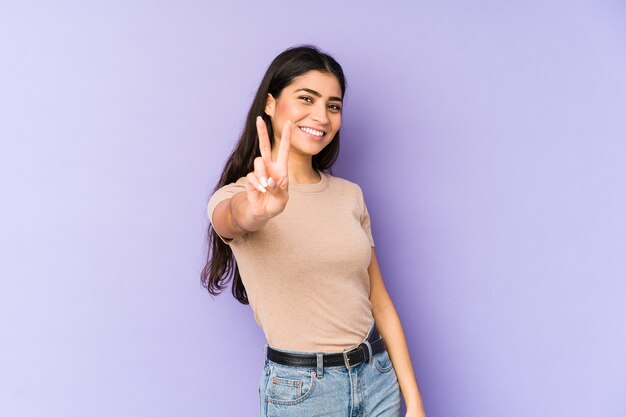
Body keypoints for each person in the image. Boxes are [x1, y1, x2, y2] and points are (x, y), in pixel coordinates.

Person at [202, 45, 426, 417]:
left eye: (333, 106)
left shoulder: (349, 195)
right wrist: (257, 210)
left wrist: (414, 401)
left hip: (377, 375)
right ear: (271, 104)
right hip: (304, 392)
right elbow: (233, 218)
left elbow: (380, 301)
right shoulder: (238, 196)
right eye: (306, 98)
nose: (321, 116)